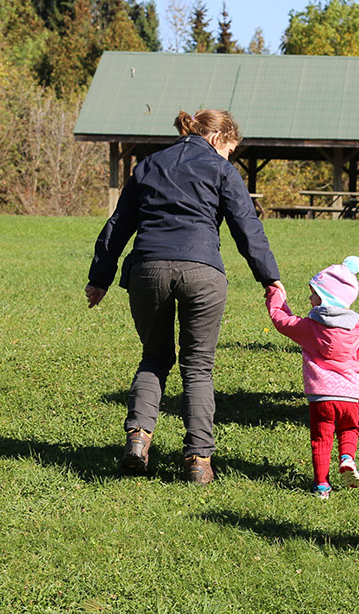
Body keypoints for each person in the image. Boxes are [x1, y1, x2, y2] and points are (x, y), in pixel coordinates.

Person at [85, 109, 282, 485]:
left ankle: (139, 439)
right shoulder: (221, 169)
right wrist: (269, 278)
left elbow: (119, 224)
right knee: (198, 366)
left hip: (147, 269)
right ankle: (198, 460)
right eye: (230, 150)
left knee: (155, 357)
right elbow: (247, 227)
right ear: (217, 139)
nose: (229, 158)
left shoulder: (149, 165)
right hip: (202, 271)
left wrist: (100, 278)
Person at [265, 256, 359, 499]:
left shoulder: (310, 327)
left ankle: (322, 486)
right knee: (349, 428)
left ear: (326, 298)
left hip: (321, 397)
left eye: (313, 293)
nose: (309, 298)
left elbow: (282, 321)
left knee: (321, 438)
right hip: (350, 396)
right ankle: (347, 457)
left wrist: (275, 294)